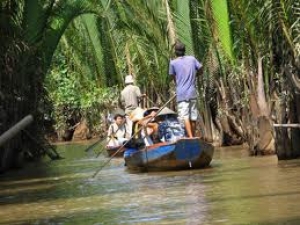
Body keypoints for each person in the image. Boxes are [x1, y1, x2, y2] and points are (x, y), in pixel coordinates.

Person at [169, 41, 203, 138]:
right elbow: (201, 68)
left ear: (176, 52)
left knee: (185, 117)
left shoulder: (173, 63)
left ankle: (191, 137)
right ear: (184, 51)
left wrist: (178, 82)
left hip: (182, 94)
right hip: (192, 93)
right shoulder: (192, 59)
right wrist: (195, 75)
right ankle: (193, 136)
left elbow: (171, 76)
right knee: (193, 117)